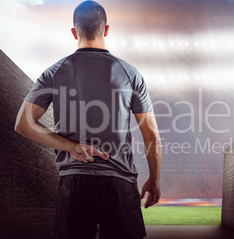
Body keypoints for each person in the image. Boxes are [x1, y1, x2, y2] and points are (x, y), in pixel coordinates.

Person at [14, 1, 162, 238]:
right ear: (106, 30)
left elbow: (23, 124)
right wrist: (153, 181)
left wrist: (72, 147)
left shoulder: (53, 72)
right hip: (119, 183)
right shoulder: (130, 73)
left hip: (74, 183)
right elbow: (151, 135)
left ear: (74, 32)